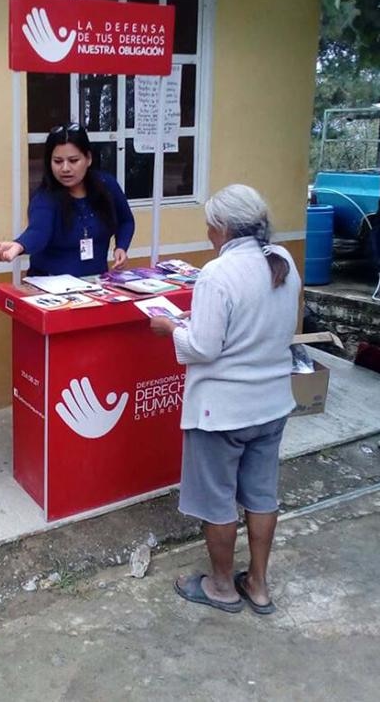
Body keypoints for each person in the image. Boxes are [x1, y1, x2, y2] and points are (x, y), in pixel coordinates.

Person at [151, 184, 301, 614]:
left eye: (209, 225)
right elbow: (268, 325)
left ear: (222, 226)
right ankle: (258, 583)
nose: (207, 233)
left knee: (217, 501)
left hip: (222, 412)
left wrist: (171, 329)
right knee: (260, 496)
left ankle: (220, 586)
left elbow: (204, 348)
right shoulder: (283, 260)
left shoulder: (218, 273)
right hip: (272, 403)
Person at [0, 124, 135, 276]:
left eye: (73, 160)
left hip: (95, 285)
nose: (65, 168)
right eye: (58, 161)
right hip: (49, 287)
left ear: (88, 159)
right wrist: (19, 245)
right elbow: (38, 232)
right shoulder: (44, 198)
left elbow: (126, 221)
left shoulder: (107, 185)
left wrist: (121, 246)